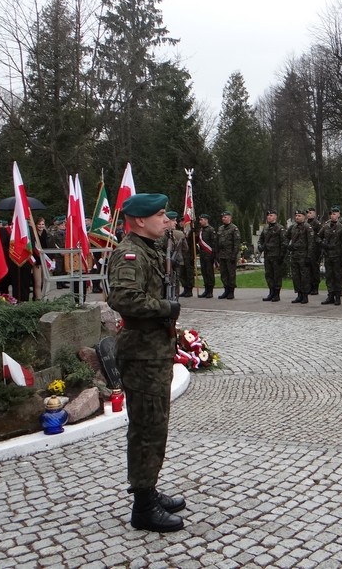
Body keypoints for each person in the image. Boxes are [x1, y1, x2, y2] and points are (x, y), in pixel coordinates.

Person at [106, 193, 185, 533]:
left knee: (155, 425)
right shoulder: (129, 254)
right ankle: (142, 506)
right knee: (147, 428)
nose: (166, 220)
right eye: (160, 215)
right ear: (139, 220)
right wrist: (165, 309)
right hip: (141, 353)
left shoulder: (150, 249)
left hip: (154, 350)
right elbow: (122, 297)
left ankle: (148, 488)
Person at [319, 206, 342, 305]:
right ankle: (330, 295)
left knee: (337, 276)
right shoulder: (326, 226)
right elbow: (317, 237)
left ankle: (338, 296)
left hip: (338, 256)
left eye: (334, 214)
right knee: (329, 276)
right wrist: (322, 243)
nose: (332, 216)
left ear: (338, 215)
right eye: (331, 214)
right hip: (328, 256)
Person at [258, 209, 287, 302]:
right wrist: (260, 246)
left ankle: (276, 294)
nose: (269, 217)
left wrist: (281, 256)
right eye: (268, 215)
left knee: (277, 275)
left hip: (276, 256)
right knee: (269, 275)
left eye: (271, 215)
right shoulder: (266, 228)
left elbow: (284, 243)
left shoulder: (280, 228)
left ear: (275, 217)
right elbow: (261, 239)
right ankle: (271, 292)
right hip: (267, 255)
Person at [287, 209, 316, 303]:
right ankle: (299, 294)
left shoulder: (308, 227)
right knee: (296, 276)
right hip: (294, 255)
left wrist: (309, 256)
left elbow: (311, 243)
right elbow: (286, 237)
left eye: (299, 216)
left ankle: (305, 295)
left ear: (304, 217)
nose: (297, 217)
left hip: (303, 256)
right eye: (296, 216)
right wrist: (288, 246)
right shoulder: (293, 227)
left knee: (304, 276)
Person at [215, 211, 241, 299]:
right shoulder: (221, 228)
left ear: (230, 218)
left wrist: (234, 255)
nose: (223, 218)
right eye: (222, 217)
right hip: (222, 255)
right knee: (223, 274)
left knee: (231, 274)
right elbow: (217, 242)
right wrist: (217, 254)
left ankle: (231, 291)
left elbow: (237, 243)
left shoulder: (234, 228)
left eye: (225, 217)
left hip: (230, 255)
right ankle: (226, 290)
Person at [196, 214, 216, 298]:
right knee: (204, 272)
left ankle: (210, 291)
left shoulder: (211, 230)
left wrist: (213, 255)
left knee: (209, 272)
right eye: (200, 220)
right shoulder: (201, 230)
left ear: (206, 220)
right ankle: (206, 289)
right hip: (202, 254)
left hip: (209, 254)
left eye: (202, 220)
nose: (200, 221)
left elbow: (214, 243)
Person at [305, 207, 323, 295]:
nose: (309, 214)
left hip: (315, 249)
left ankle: (315, 287)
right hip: (307, 249)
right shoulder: (305, 223)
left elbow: (321, 235)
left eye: (310, 213)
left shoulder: (317, 223)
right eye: (307, 213)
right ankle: (309, 286)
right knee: (308, 270)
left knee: (314, 269)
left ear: (314, 214)